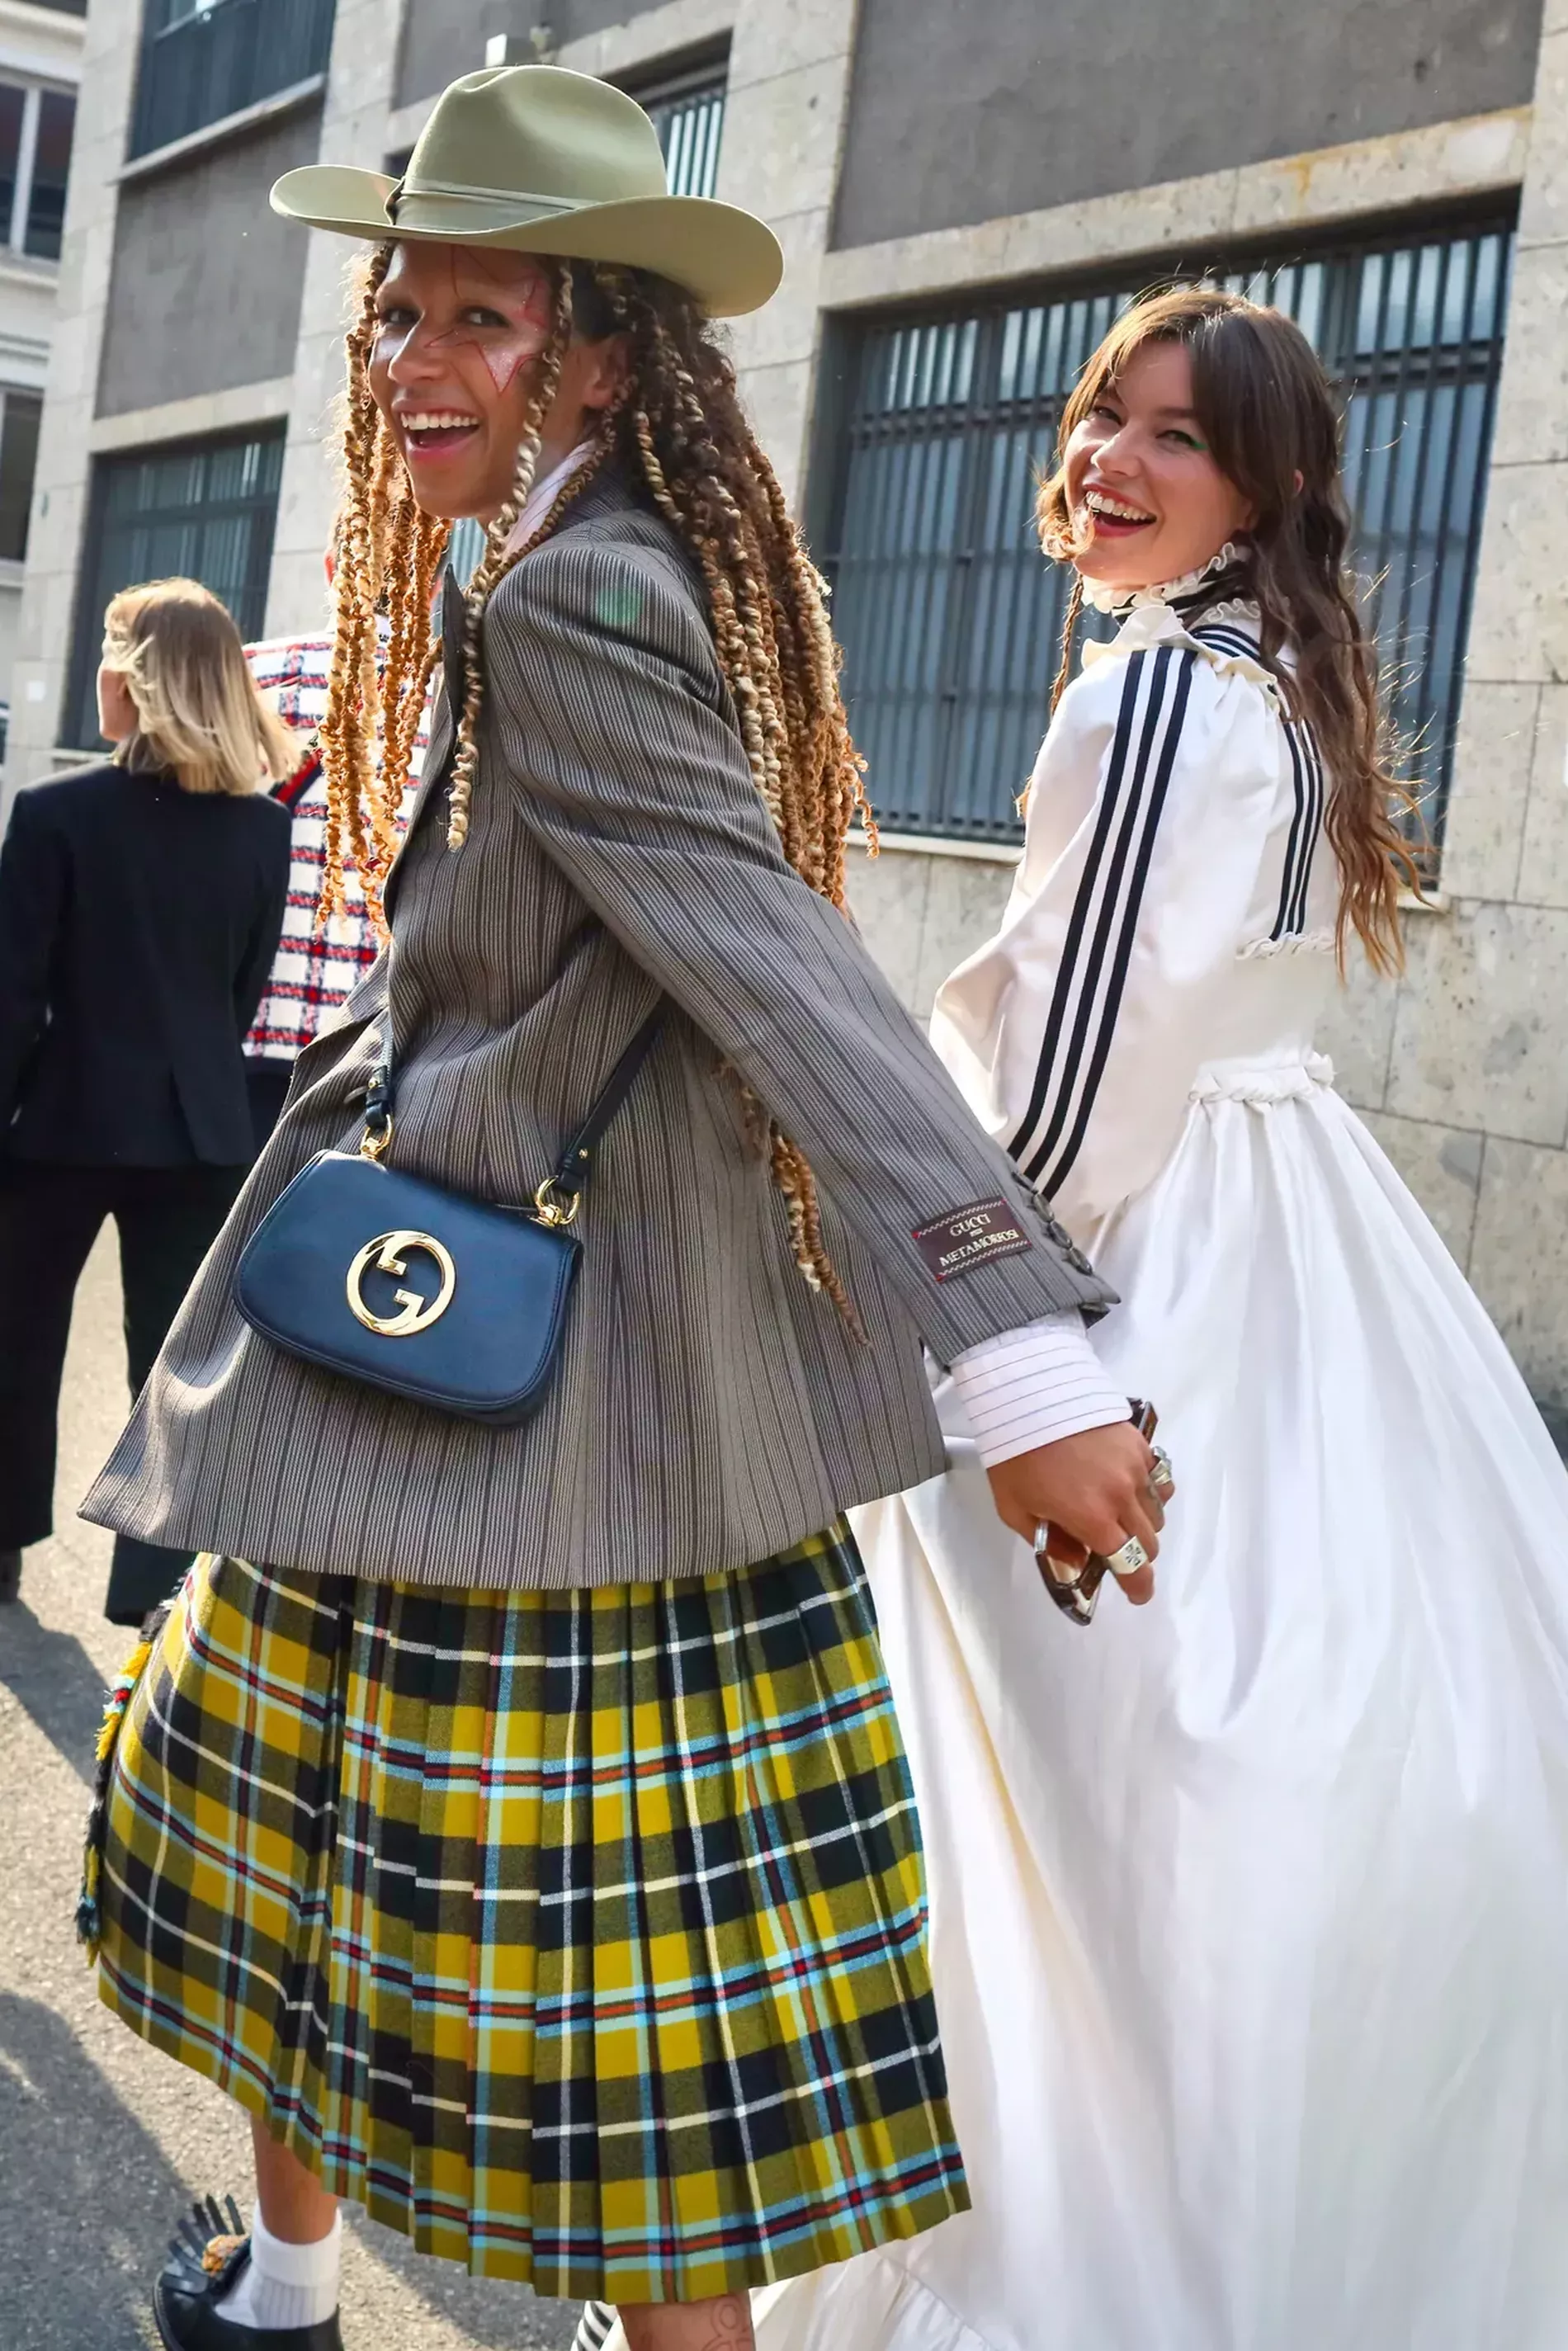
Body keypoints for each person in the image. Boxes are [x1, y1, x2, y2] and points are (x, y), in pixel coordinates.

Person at [73, 68, 1169, 2351]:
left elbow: (782, 971)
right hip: (486, 1376)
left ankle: (288, 2288)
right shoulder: (575, 564)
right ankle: (278, 2285)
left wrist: (1020, 1354)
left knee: (610, 2047)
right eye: (394, 319)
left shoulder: (575, 596)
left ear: (592, 354)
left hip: (533, 1406)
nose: (411, 369)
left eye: (477, 321)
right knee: (357, 1897)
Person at [730, 289, 1568, 2351]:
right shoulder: (1277, 679)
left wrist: (970, 1307)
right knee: (1254, 1782)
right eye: (1103, 410)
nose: (1108, 455)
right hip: (1291, 1233)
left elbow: (1081, 1059)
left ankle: (1069, 2256)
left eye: (1171, 438)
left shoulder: (1163, 695)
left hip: (1140, 1250)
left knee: (1077, 1802)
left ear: (1259, 487)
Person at [0, 578, 292, 1619]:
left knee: (13, 1344)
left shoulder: (53, 814)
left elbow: (11, 998)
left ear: (135, 679)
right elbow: (238, 992)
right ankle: (155, 1588)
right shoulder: (262, 831)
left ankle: (1, 1555)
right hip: (201, 1129)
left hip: (59, 1127)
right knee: (172, 1367)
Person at [243, 588, 429, 1150]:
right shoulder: (461, 692)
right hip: (379, 1044)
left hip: (251, 1026)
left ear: (333, 570)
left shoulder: (250, 674)